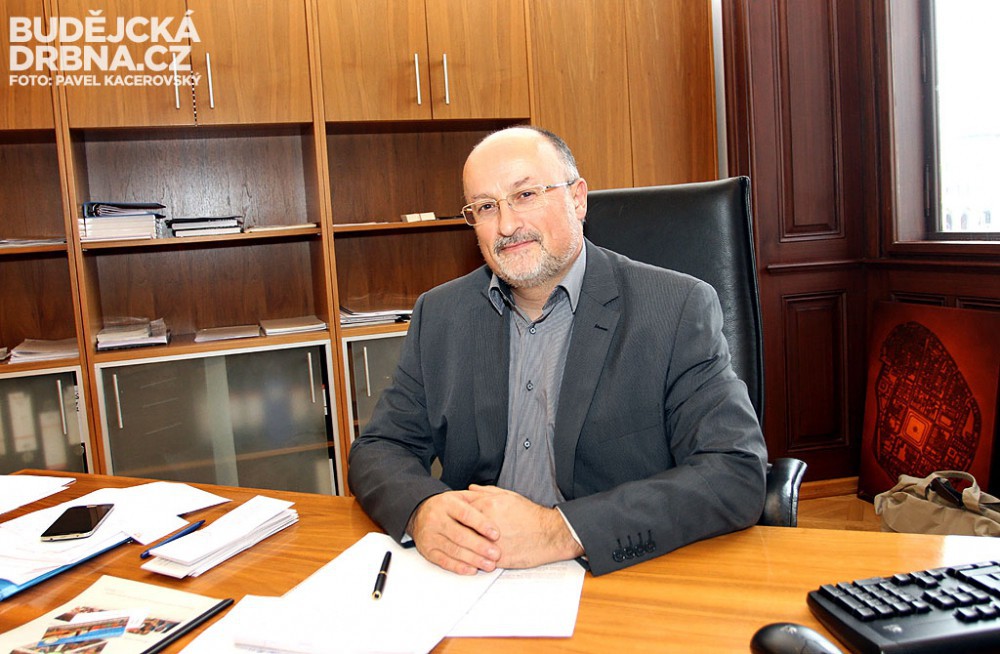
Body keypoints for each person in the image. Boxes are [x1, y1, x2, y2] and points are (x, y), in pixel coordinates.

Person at [348, 126, 767, 576]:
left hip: (610, 573)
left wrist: (558, 531)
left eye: (525, 195)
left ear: (578, 199)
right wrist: (422, 509)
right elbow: (380, 447)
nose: (507, 225)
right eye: (486, 207)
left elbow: (734, 471)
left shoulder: (675, 308)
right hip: (472, 573)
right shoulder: (441, 314)